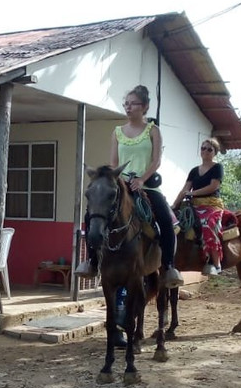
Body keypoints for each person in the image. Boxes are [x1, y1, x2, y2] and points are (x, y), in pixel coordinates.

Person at [75, 85, 183, 289]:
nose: (128, 107)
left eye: (133, 103)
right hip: (121, 186)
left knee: (166, 221)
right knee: (92, 215)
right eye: (126, 103)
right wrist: (114, 180)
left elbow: (156, 161)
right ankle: (91, 261)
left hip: (147, 187)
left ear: (145, 107)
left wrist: (142, 179)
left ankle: (168, 266)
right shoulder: (117, 132)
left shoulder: (153, 130)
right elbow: (114, 162)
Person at [174, 136, 225, 276]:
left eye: (209, 149)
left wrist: (192, 193)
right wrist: (174, 205)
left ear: (215, 152)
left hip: (211, 204)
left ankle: (216, 263)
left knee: (208, 225)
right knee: (177, 224)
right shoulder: (194, 170)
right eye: (203, 148)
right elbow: (185, 188)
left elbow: (213, 186)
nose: (205, 151)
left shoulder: (217, 168)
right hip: (194, 204)